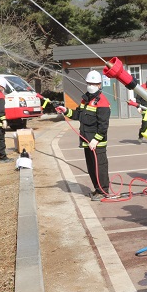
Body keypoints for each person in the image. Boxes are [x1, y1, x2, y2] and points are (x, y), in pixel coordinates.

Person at [56, 70, 111, 201]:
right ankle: (97, 189)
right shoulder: (85, 99)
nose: (90, 85)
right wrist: (66, 111)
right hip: (86, 140)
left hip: (97, 142)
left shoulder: (102, 101)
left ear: (99, 85)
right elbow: (78, 115)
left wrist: (96, 140)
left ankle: (103, 191)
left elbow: (103, 125)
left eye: (93, 83)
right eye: (89, 83)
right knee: (91, 167)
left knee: (100, 167)